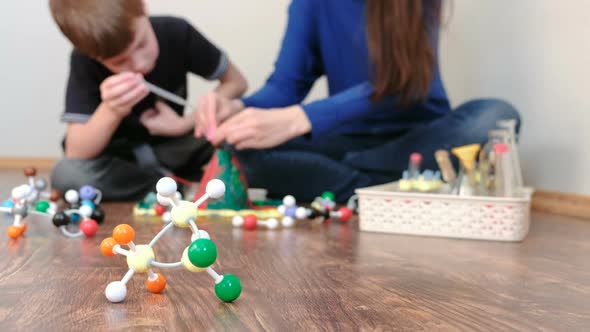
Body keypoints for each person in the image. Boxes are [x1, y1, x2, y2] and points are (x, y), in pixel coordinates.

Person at [195, 0, 520, 202]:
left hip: (420, 137)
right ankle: (394, 187)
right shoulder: (310, 3)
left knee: (495, 117)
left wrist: (300, 119)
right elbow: (284, 87)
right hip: (349, 142)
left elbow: (402, 84)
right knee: (241, 152)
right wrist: (237, 108)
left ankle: (351, 187)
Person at [49, 0, 247, 200]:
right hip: (123, 163)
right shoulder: (84, 60)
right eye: (119, 62)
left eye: (141, 44)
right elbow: (76, 152)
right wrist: (112, 110)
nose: (139, 64)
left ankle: (175, 184)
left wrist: (185, 123)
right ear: (95, 56)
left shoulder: (176, 32)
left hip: (176, 148)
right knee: (67, 174)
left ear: (143, 8)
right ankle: (175, 187)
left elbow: (237, 83)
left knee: (239, 117)